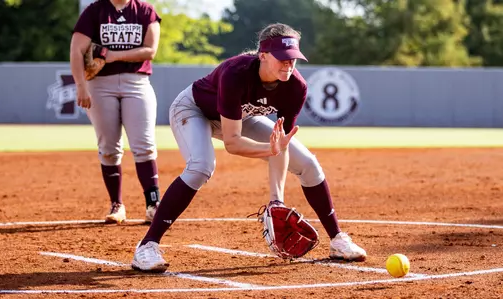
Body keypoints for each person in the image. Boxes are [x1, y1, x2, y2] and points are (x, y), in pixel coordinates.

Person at [131, 23, 367, 272]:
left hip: (244, 117)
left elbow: (280, 142)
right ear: (263, 55)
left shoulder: (296, 87)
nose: (289, 65)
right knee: (201, 166)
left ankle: (338, 240)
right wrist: (269, 149)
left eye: (293, 59)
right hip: (195, 110)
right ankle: (147, 246)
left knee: (308, 164)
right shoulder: (236, 73)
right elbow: (233, 143)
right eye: (283, 59)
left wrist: (277, 200)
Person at [69, 0, 162, 224]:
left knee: (144, 145)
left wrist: (112, 55)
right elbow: (76, 49)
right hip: (100, 84)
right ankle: (117, 205)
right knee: (109, 147)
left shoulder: (144, 10)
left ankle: (153, 204)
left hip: (136, 82)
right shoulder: (95, 10)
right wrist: (81, 85)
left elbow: (150, 50)